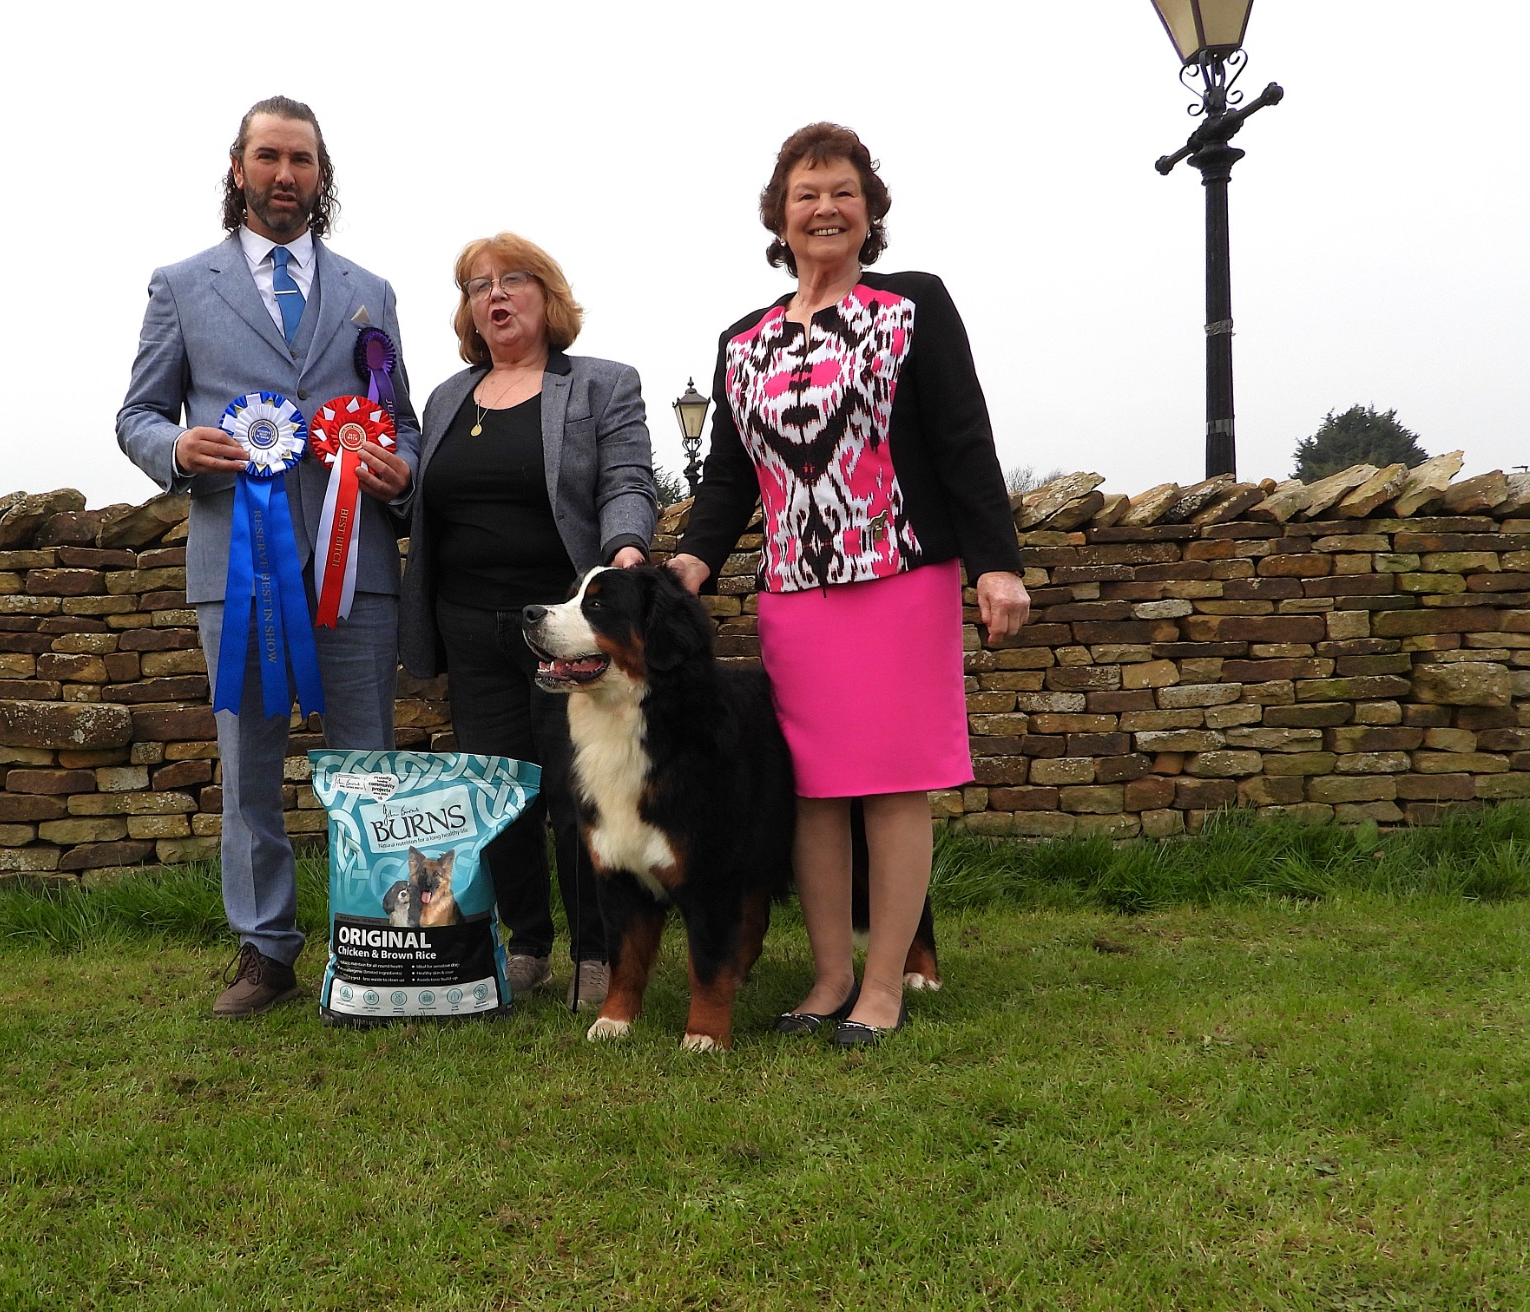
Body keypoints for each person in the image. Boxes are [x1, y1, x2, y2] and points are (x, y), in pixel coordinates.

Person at [668, 123, 1029, 1047]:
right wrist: (693, 559)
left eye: (843, 193)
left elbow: (963, 440)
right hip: (795, 590)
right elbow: (728, 477)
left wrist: (997, 563)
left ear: (870, 213)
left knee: (894, 784)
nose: (825, 208)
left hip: (901, 577)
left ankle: (883, 988)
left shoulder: (914, 305)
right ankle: (828, 977)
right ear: (779, 216)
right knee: (815, 790)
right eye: (807, 194)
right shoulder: (742, 341)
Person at [116, 95, 417, 1019]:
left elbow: (401, 423)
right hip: (235, 569)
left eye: (302, 160)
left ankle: (376, 945)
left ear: (322, 176)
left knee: (367, 766)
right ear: (238, 168)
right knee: (248, 771)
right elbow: (137, 415)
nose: (286, 175)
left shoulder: (372, 291)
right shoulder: (180, 285)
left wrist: (399, 469)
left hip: (357, 571)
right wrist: (176, 448)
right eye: (269, 157)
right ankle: (265, 951)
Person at [398, 234, 657, 1008]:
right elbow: (423, 503)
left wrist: (627, 545)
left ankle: (597, 950)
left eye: (513, 279)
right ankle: (528, 945)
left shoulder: (602, 384)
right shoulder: (446, 398)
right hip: (470, 626)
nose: (496, 295)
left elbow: (627, 478)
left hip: (567, 630)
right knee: (497, 794)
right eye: (478, 286)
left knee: (577, 795)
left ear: (548, 295)